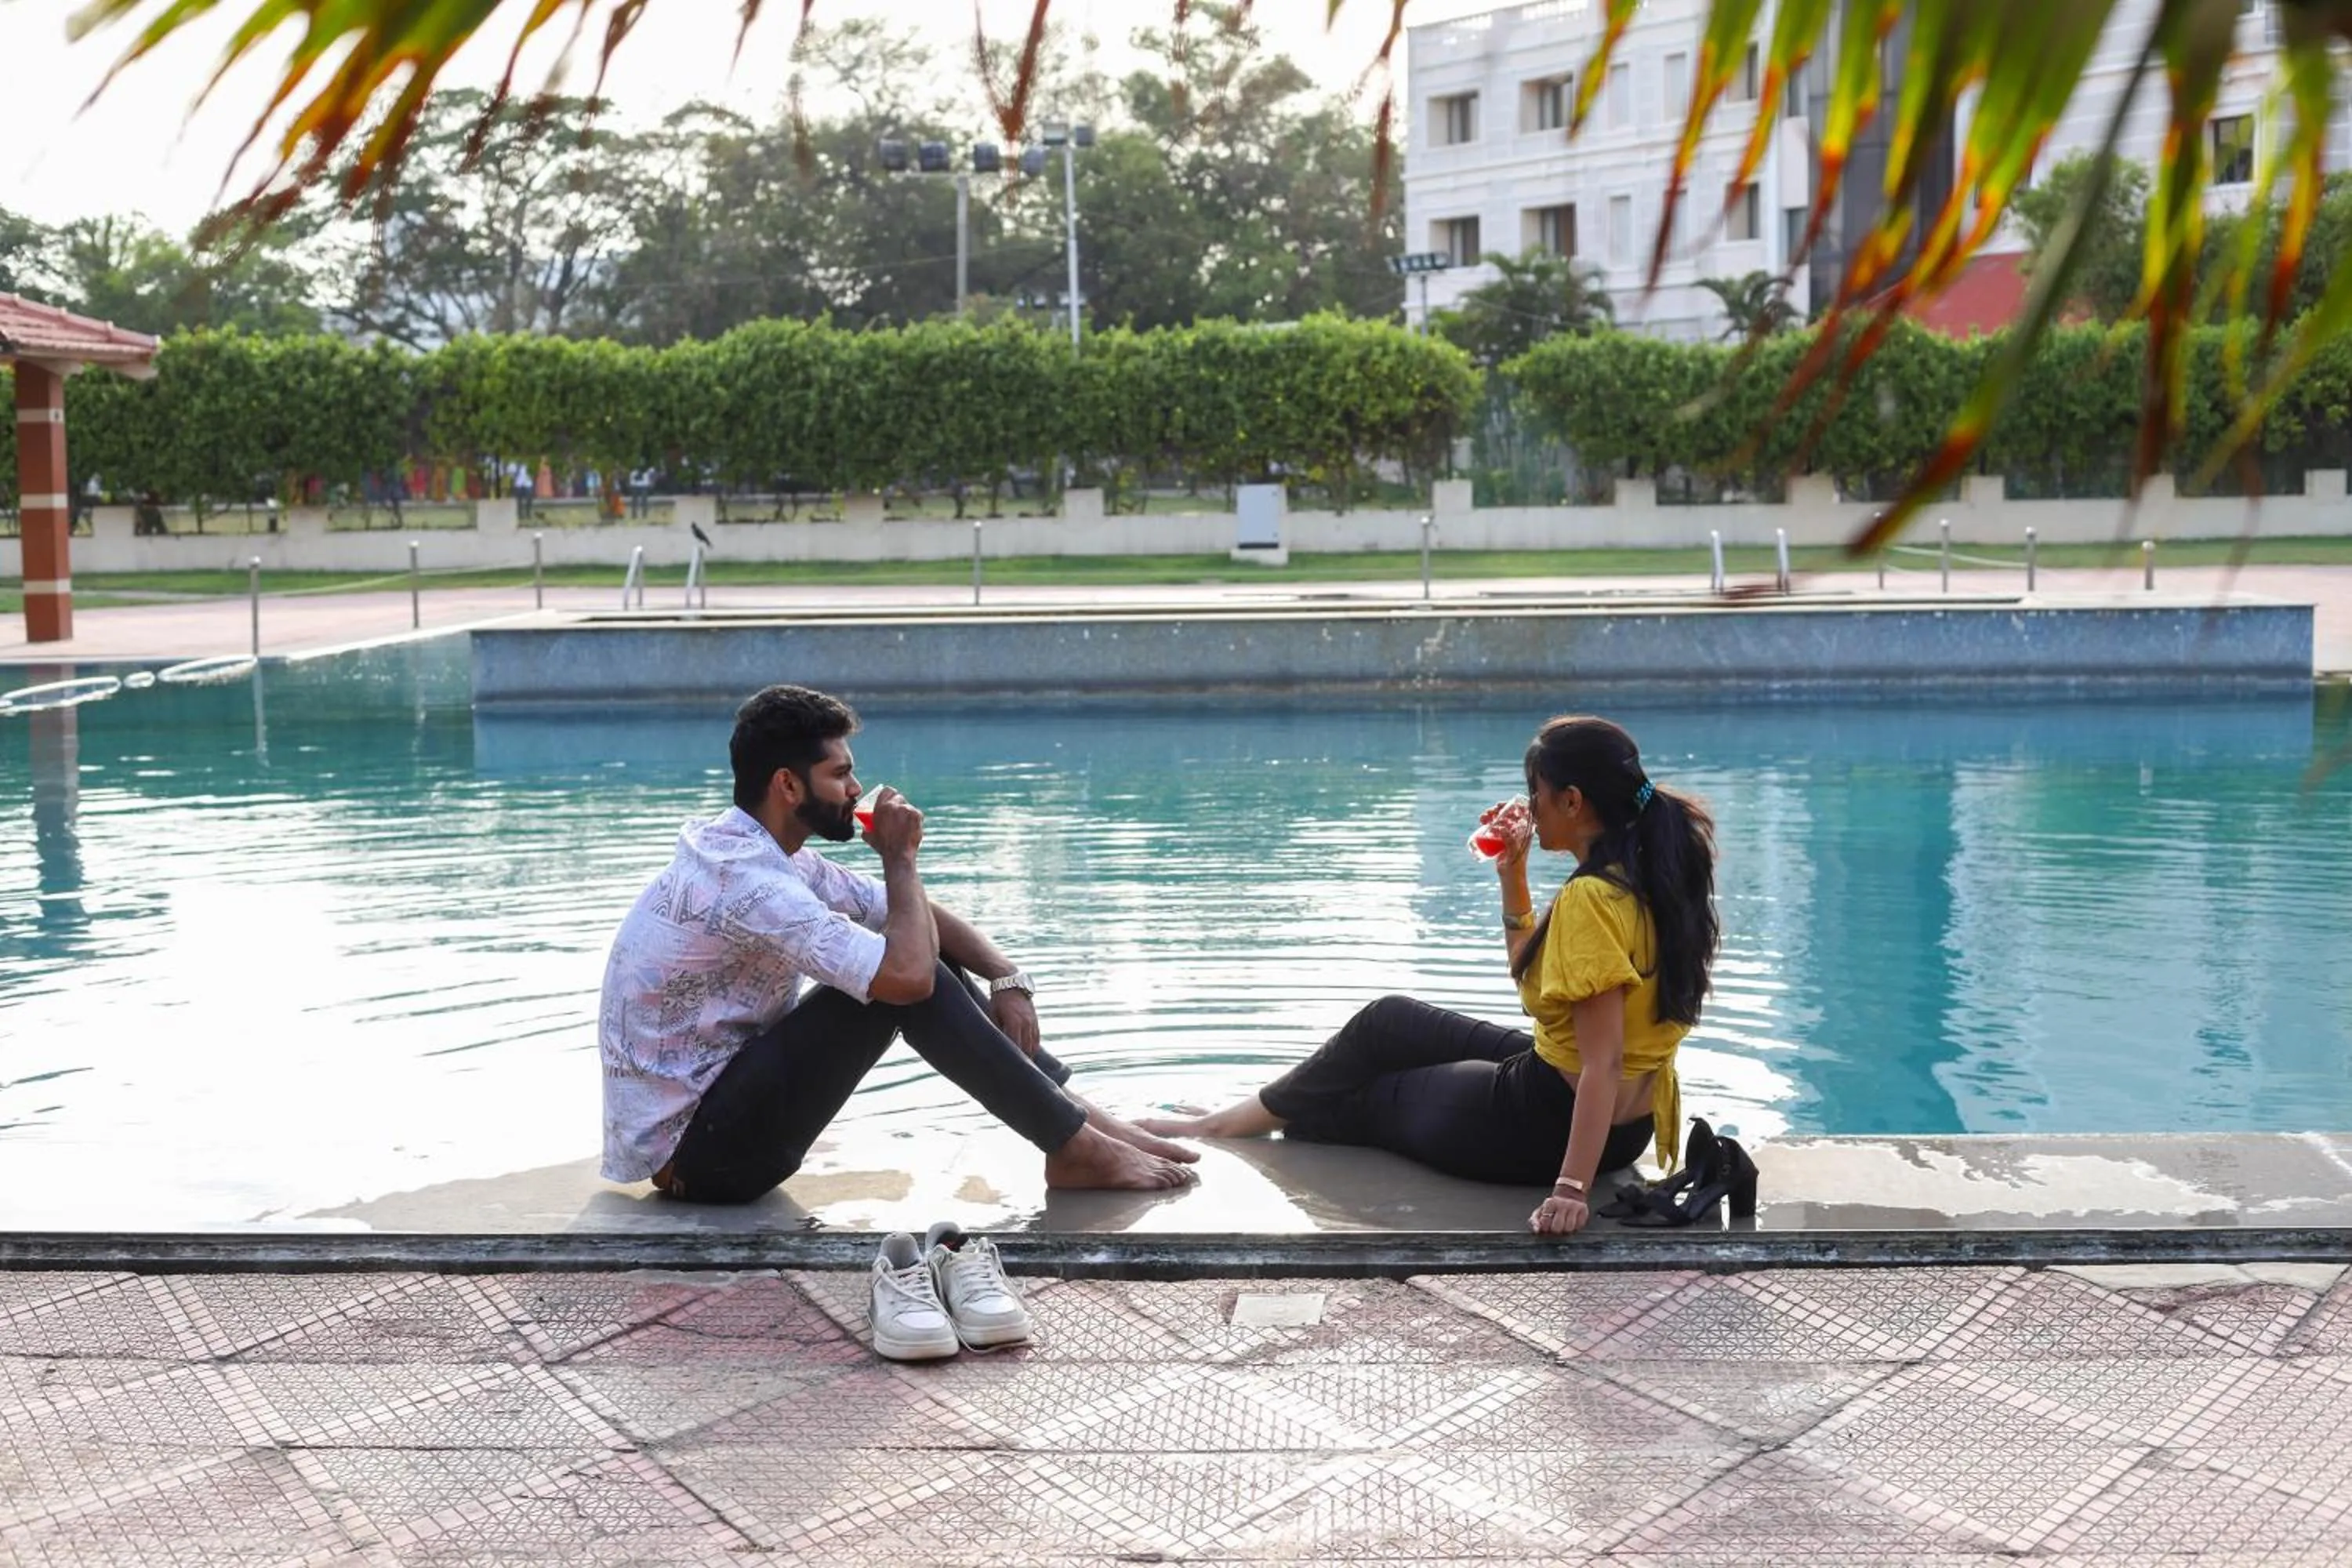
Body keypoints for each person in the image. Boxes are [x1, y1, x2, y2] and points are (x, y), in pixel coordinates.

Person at [599, 684, 1200, 1203]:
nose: (856, 789)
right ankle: (1074, 1144)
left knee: (919, 949)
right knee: (907, 978)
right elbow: (910, 980)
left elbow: (902, 915)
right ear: (787, 785)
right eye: (839, 775)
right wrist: (900, 858)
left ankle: (1080, 1124)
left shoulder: (765, 854)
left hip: (723, 1122)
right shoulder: (750, 885)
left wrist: (1007, 975)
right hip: (702, 1162)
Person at [1139, 715, 1719, 1236]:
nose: (1529, 808)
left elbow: (1604, 1060)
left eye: (1534, 794)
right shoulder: (1659, 872)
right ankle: (1231, 1118)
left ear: (1571, 801)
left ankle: (1218, 1128)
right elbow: (1537, 991)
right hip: (1621, 1122)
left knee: (1356, 1101)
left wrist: (1569, 1189)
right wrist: (1511, 875)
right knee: (1388, 1023)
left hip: (1544, 1125)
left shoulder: (1592, 897)